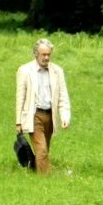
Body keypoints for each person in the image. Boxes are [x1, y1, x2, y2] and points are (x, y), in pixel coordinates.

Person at [15, 38, 71, 174]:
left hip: (50, 116)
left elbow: (63, 96)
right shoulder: (25, 70)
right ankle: (45, 181)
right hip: (34, 116)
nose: (46, 58)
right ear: (36, 54)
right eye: (43, 55)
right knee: (42, 150)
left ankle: (34, 169)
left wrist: (65, 116)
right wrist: (18, 121)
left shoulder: (57, 71)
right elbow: (20, 97)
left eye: (48, 55)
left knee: (44, 149)